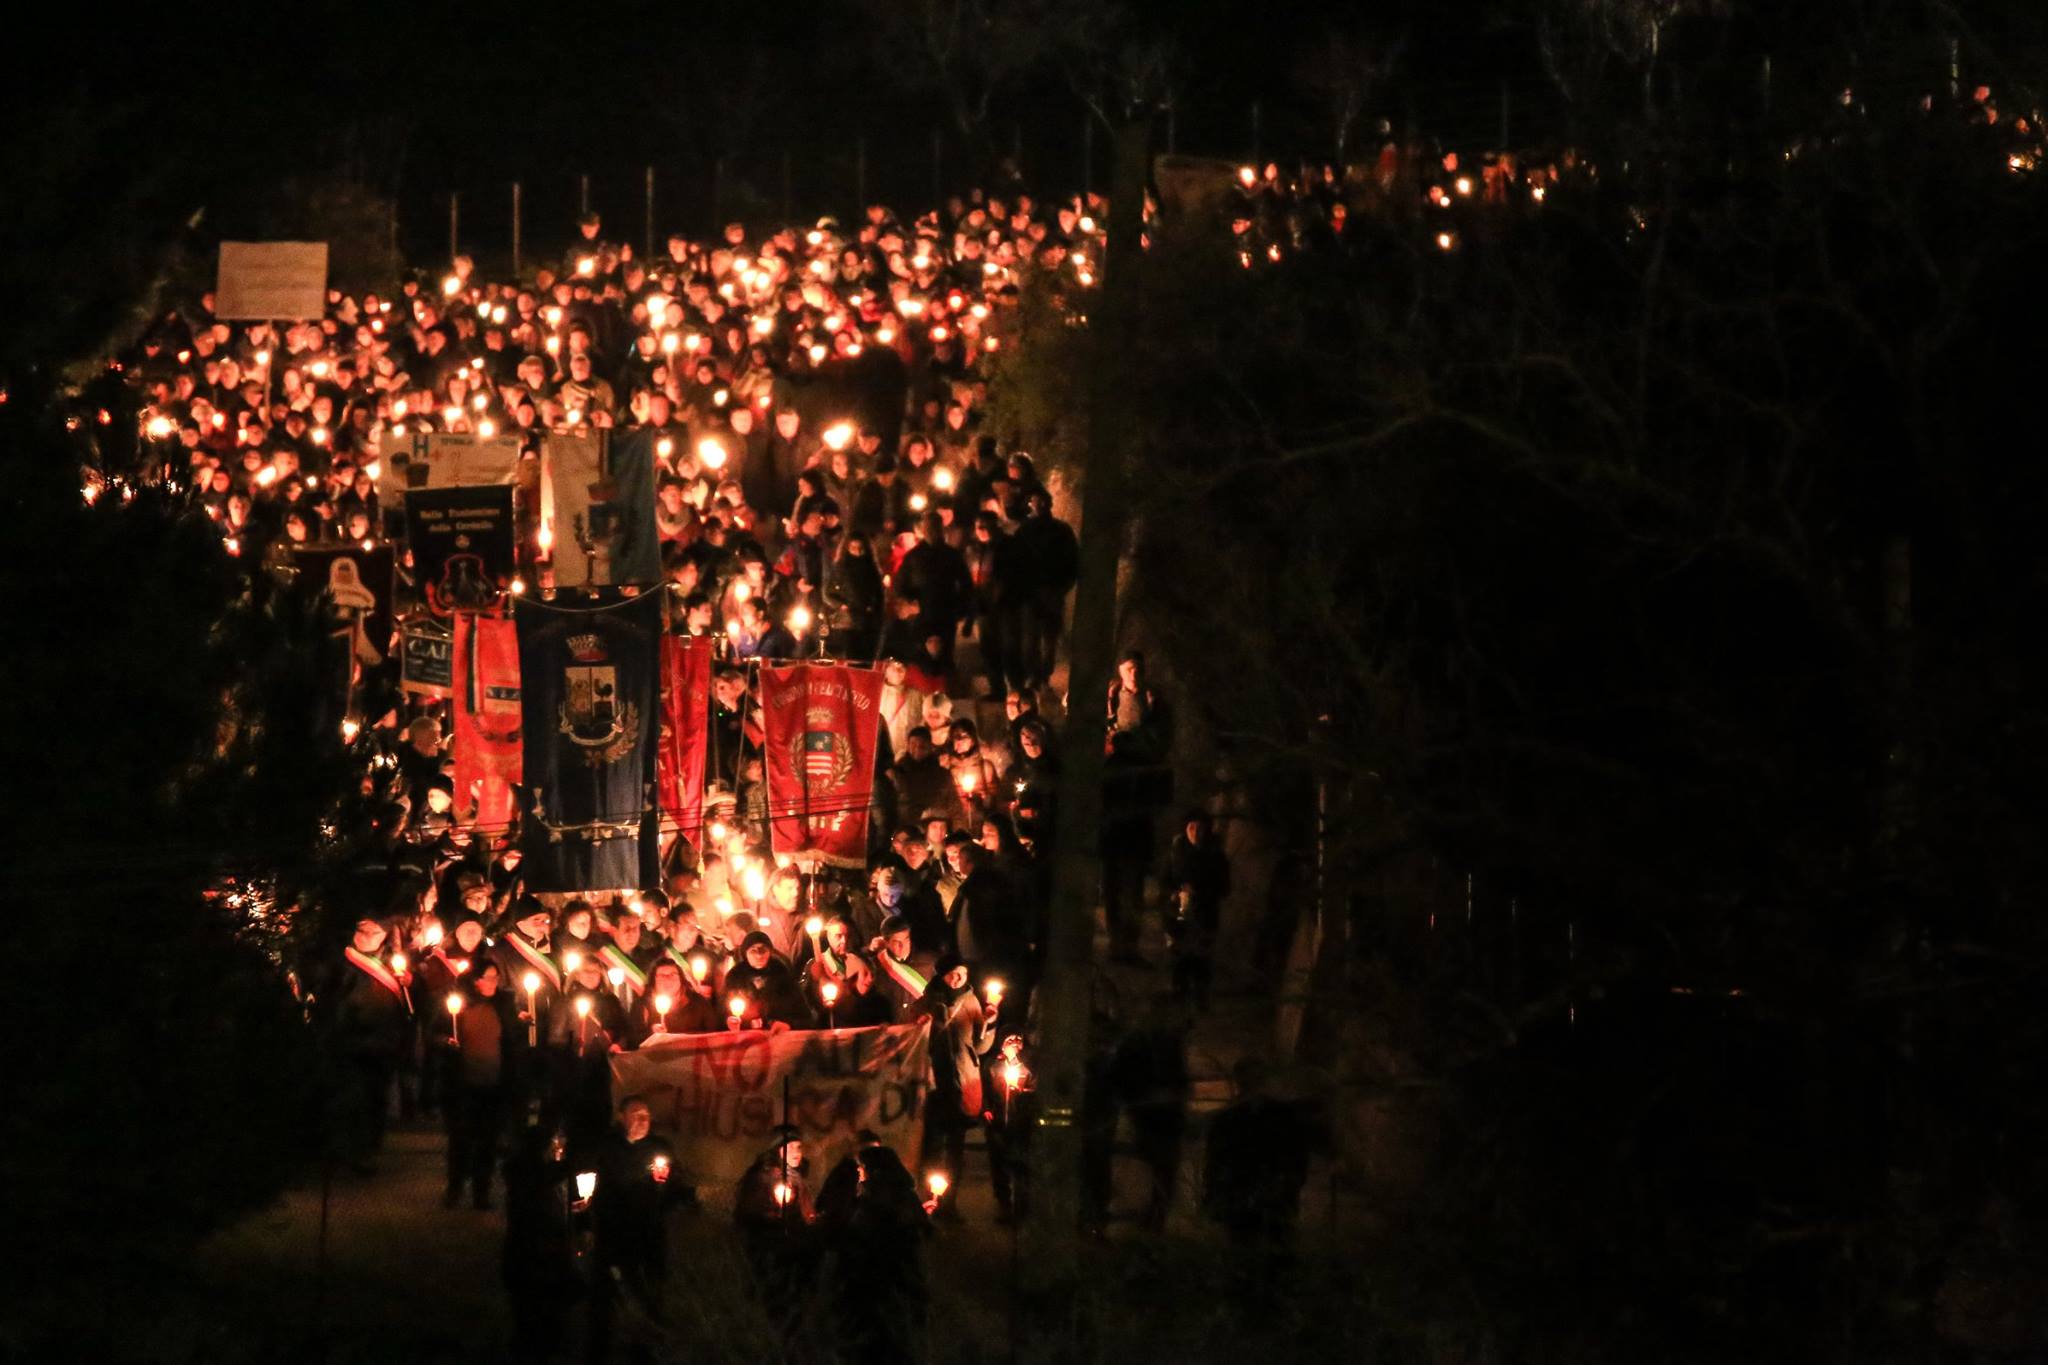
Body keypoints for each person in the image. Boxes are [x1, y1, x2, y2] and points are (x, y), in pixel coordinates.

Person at [589, 1096, 685, 1359]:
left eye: (646, 1115)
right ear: (622, 1117)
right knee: (606, 1295)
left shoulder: (659, 1148)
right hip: (613, 1232)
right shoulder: (606, 1147)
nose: (643, 1120)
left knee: (648, 1292)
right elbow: (587, 1180)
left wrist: (665, 1185)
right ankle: (599, 1349)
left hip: (648, 1233)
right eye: (636, 1113)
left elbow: (677, 1188)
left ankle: (643, 1349)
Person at [321, 914, 414, 1172]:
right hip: (352, 1043)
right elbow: (330, 1001)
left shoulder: (393, 965)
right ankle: (351, 1151)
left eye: (375, 931)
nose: (368, 936)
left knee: (376, 1099)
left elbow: (409, 1007)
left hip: (384, 1044)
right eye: (363, 930)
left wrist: (408, 984)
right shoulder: (342, 963)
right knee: (354, 1099)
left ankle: (369, 1149)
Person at [1202, 1057, 1315, 1263]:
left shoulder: (1233, 1117)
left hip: (1259, 1195)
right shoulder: (1280, 1114)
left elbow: (1217, 1160)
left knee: (1260, 1252)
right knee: (1262, 1252)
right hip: (1257, 1195)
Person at [919, 952, 998, 1217]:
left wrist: (989, 1023)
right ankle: (929, 1199)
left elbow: (980, 1045)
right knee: (932, 1145)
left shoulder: (971, 1000)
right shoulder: (929, 1001)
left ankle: (950, 1204)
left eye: (962, 974)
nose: (958, 978)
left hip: (963, 1083)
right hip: (935, 1084)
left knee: (955, 1147)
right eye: (953, 973)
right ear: (942, 975)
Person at [501, 1123, 587, 1364]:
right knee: (534, 1305)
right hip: (533, 1251)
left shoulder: (536, 1170)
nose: (557, 1148)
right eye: (553, 1143)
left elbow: (549, 1192)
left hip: (541, 1248)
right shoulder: (526, 1170)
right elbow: (544, 1183)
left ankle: (544, 1342)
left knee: (544, 1305)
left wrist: (573, 1206)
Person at [443, 959, 516, 1209]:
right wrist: (447, 1041)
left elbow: (510, 1038)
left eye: (496, 977)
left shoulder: (503, 1005)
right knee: (461, 1140)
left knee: (487, 1142)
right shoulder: (459, 1005)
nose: (493, 982)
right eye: (488, 977)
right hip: (465, 1084)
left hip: (493, 1084)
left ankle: (481, 1192)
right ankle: (455, 1189)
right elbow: (439, 1032)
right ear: (476, 981)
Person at [733, 1124, 818, 1326]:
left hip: (794, 1251)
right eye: (790, 1148)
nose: (797, 1152)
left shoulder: (795, 1177)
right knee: (773, 1304)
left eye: (798, 1147)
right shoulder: (765, 1179)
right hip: (773, 1253)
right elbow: (751, 1213)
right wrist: (780, 1215)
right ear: (777, 1150)